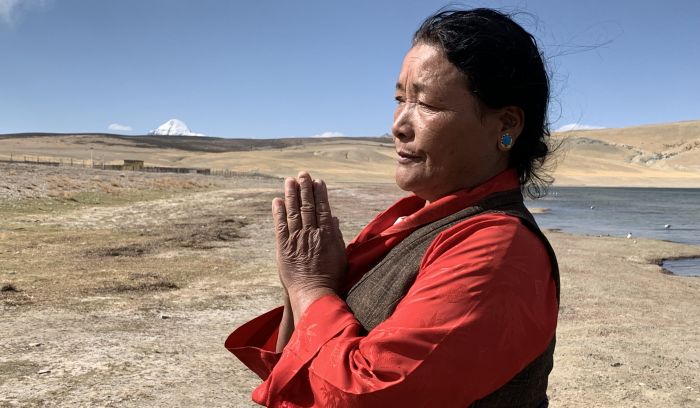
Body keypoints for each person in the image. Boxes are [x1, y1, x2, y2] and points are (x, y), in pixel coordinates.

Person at [226, 8, 559, 407]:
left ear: (506, 124)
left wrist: (309, 287)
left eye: (427, 105)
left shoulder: (500, 249)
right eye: (400, 99)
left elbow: (375, 393)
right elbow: (295, 369)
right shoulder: (417, 222)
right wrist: (301, 285)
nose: (399, 125)